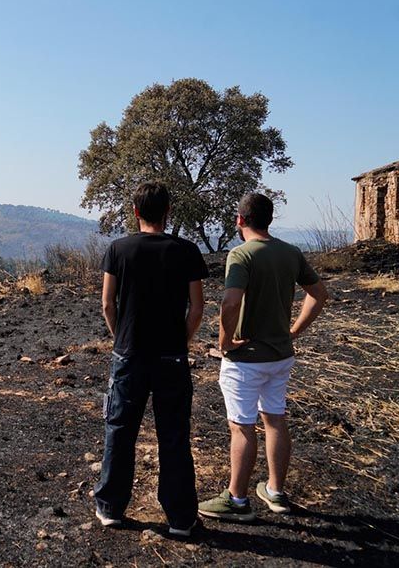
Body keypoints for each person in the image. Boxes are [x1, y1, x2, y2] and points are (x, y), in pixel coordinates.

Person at [199, 193, 327, 522]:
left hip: (246, 360)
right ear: (269, 220)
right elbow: (318, 294)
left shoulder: (241, 255)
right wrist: (294, 331)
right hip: (280, 356)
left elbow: (230, 303)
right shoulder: (290, 253)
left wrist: (225, 340)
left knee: (241, 427)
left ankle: (237, 501)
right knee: (275, 419)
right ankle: (275, 492)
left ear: (240, 221)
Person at [93, 182, 208, 538]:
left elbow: (107, 304)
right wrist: (182, 341)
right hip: (171, 357)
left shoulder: (118, 249)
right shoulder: (186, 251)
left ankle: (111, 508)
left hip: (129, 354)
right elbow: (197, 307)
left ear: (136, 211)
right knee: (174, 435)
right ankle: (180, 518)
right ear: (168, 212)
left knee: (120, 430)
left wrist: (119, 337)